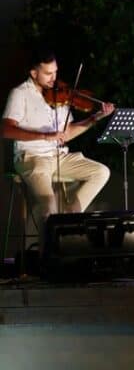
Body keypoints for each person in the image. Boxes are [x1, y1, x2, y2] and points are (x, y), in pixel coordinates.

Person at [1, 50, 115, 253]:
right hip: (31, 157)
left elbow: (66, 133)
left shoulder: (58, 95)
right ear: (34, 73)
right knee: (48, 206)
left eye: (55, 72)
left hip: (58, 156)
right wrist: (45, 136)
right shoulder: (20, 94)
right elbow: (6, 130)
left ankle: (71, 216)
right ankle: (47, 257)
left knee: (101, 172)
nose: (54, 78)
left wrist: (95, 118)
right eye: (48, 73)